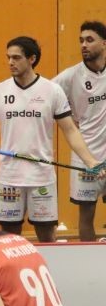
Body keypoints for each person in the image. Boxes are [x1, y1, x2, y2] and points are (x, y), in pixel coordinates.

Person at [0, 36, 102, 243]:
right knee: (9, 237)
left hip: (41, 177)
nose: (10, 62)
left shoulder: (52, 91)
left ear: (32, 59)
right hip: (9, 177)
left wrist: (90, 161)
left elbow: (70, 130)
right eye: (8, 58)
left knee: (47, 236)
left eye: (16, 58)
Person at [53, 21, 106, 241]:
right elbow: (43, 96)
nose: (83, 45)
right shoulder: (70, 76)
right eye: (81, 40)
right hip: (86, 156)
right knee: (86, 215)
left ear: (104, 43)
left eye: (89, 40)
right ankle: (89, 259)